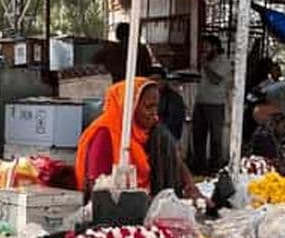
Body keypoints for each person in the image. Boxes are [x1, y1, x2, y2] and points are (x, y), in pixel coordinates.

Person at [75, 79, 204, 202]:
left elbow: (176, 161)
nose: (154, 114)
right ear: (129, 106)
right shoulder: (105, 134)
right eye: (149, 107)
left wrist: (191, 187)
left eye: (156, 107)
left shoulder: (156, 132)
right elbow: (98, 186)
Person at [192, 34, 230, 172]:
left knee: (215, 138)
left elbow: (215, 79)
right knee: (198, 135)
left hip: (215, 104)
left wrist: (205, 66)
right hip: (201, 101)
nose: (204, 49)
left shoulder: (223, 61)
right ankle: (200, 166)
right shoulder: (206, 62)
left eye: (207, 46)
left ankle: (215, 167)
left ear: (215, 47)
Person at [148, 65, 186, 142]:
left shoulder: (174, 99)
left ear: (164, 81)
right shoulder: (144, 97)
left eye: (157, 79)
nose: (155, 82)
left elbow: (173, 125)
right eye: (151, 80)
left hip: (166, 139)